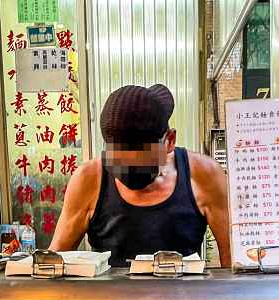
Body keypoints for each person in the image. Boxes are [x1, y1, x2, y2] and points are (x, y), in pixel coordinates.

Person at [49, 84, 231, 267]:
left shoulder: (205, 174)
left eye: (142, 158)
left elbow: (234, 264)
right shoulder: (89, 178)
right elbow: (52, 264)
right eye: (119, 159)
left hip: (182, 294)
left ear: (170, 141)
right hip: (110, 294)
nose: (130, 168)